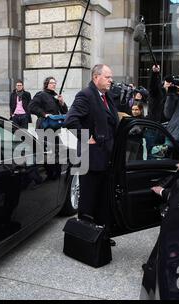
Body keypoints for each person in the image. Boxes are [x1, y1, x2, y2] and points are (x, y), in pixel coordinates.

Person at [64, 64, 119, 246]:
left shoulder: (107, 96)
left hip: (107, 157)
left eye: (111, 77)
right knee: (88, 198)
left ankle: (101, 235)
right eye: (107, 77)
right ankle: (86, 239)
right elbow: (70, 120)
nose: (111, 80)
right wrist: (86, 138)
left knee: (103, 198)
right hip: (91, 157)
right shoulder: (85, 95)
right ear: (96, 77)